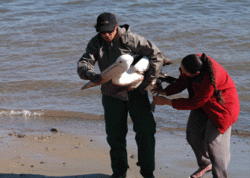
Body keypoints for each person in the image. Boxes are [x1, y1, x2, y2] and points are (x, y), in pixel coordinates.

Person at [77, 12, 169, 178]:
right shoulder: (96, 42)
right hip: (111, 94)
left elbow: (156, 55)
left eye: (109, 30)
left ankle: (147, 172)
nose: (106, 34)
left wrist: (148, 82)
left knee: (146, 132)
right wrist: (89, 74)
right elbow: (84, 62)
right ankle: (119, 173)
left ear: (116, 26)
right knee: (115, 136)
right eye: (102, 31)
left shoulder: (130, 39)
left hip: (136, 92)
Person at [153, 53, 240, 178]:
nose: (181, 73)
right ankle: (206, 164)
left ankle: (220, 175)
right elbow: (183, 81)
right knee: (192, 134)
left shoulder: (209, 78)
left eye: (184, 71)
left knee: (213, 144)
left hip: (223, 109)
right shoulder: (195, 61)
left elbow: (194, 103)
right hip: (204, 103)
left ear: (196, 74)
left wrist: (168, 102)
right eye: (180, 69)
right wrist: (166, 91)